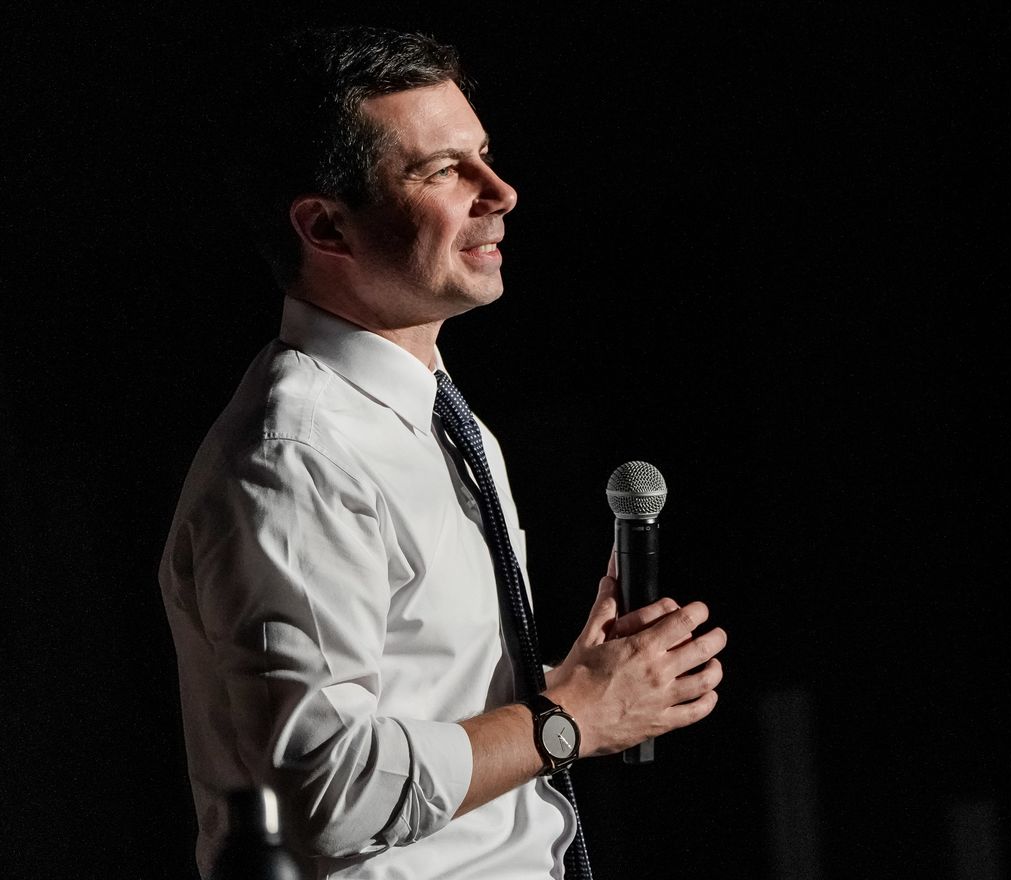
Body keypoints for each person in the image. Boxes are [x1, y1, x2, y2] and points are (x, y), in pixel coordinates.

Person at [158, 25, 726, 880]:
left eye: (485, 156)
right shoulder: (300, 457)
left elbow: (423, 708)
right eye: (442, 171)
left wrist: (571, 686)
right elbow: (328, 792)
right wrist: (567, 719)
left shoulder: (432, 413)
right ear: (325, 226)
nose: (500, 192)